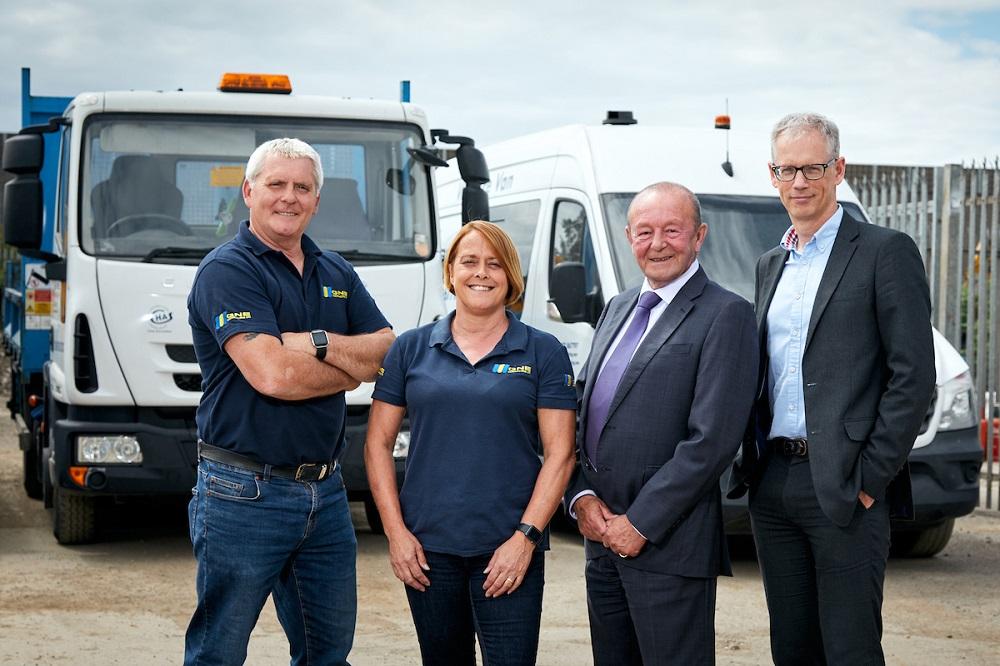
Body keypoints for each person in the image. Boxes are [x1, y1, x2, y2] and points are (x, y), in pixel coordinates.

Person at [727, 112, 936, 665]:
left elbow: (913, 377)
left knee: (850, 650)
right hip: (774, 484)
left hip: (846, 485)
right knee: (792, 649)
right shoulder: (770, 263)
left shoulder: (885, 251)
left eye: (813, 167)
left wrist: (869, 478)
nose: (800, 182)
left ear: (838, 169)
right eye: (787, 169)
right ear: (772, 176)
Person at [184, 137, 394, 665]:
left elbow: (387, 352)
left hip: (324, 495)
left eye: (303, 187)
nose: (289, 197)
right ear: (249, 191)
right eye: (276, 184)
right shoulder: (228, 270)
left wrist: (315, 342)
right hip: (241, 492)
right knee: (219, 653)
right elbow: (274, 376)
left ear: (317, 201)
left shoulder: (335, 272)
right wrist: (348, 370)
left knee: (327, 654)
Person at [364, 220, 577, 666]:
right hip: (427, 551)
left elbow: (560, 454)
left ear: (511, 276)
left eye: (494, 264)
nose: (482, 273)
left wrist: (525, 539)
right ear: (451, 272)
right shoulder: (410, 348)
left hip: (508, 548)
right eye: (470, 262)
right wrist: (396, 534)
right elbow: (377, 445)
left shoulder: (543, 351)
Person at [565, 182, 758, 665]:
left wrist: (640, 524)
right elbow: (581, 412)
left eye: (672, 230)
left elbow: (712, 441)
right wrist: (580, 497)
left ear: (699, 236)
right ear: (629, 236)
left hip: (668, 544)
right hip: (601, 535)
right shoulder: (617, 308)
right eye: (645, 231)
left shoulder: (726, 314)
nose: (657, 243)